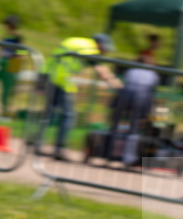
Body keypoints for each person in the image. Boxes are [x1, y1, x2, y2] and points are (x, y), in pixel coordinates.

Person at [36, 33, 121, 162]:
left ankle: (38, 144)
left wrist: (41, 81)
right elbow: (100, 69)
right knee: (69, 115)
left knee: (48, 114)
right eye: (105, 48)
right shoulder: (90, 48)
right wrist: (115, 83)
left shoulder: (79, 42)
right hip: (60, 80)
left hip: (49, 75)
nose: (105, 51)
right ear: (100, 43)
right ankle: (59, 149)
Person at [105, 51, 160, 166]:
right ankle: (128, 158)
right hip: (141, 99)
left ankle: (109, 155)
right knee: (134, 128)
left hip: (125, 97)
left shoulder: (131, 70)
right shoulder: (153, 74)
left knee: (116, 126)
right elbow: (153, 89)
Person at [0, 15, 24, 119]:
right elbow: (1, 50)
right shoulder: (5, 36)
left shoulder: (18, 37)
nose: (8, 26)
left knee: (8, 91)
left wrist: (15, 67)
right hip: (3, 63)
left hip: (12, 65)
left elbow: (21, 54)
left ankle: (5, 112)